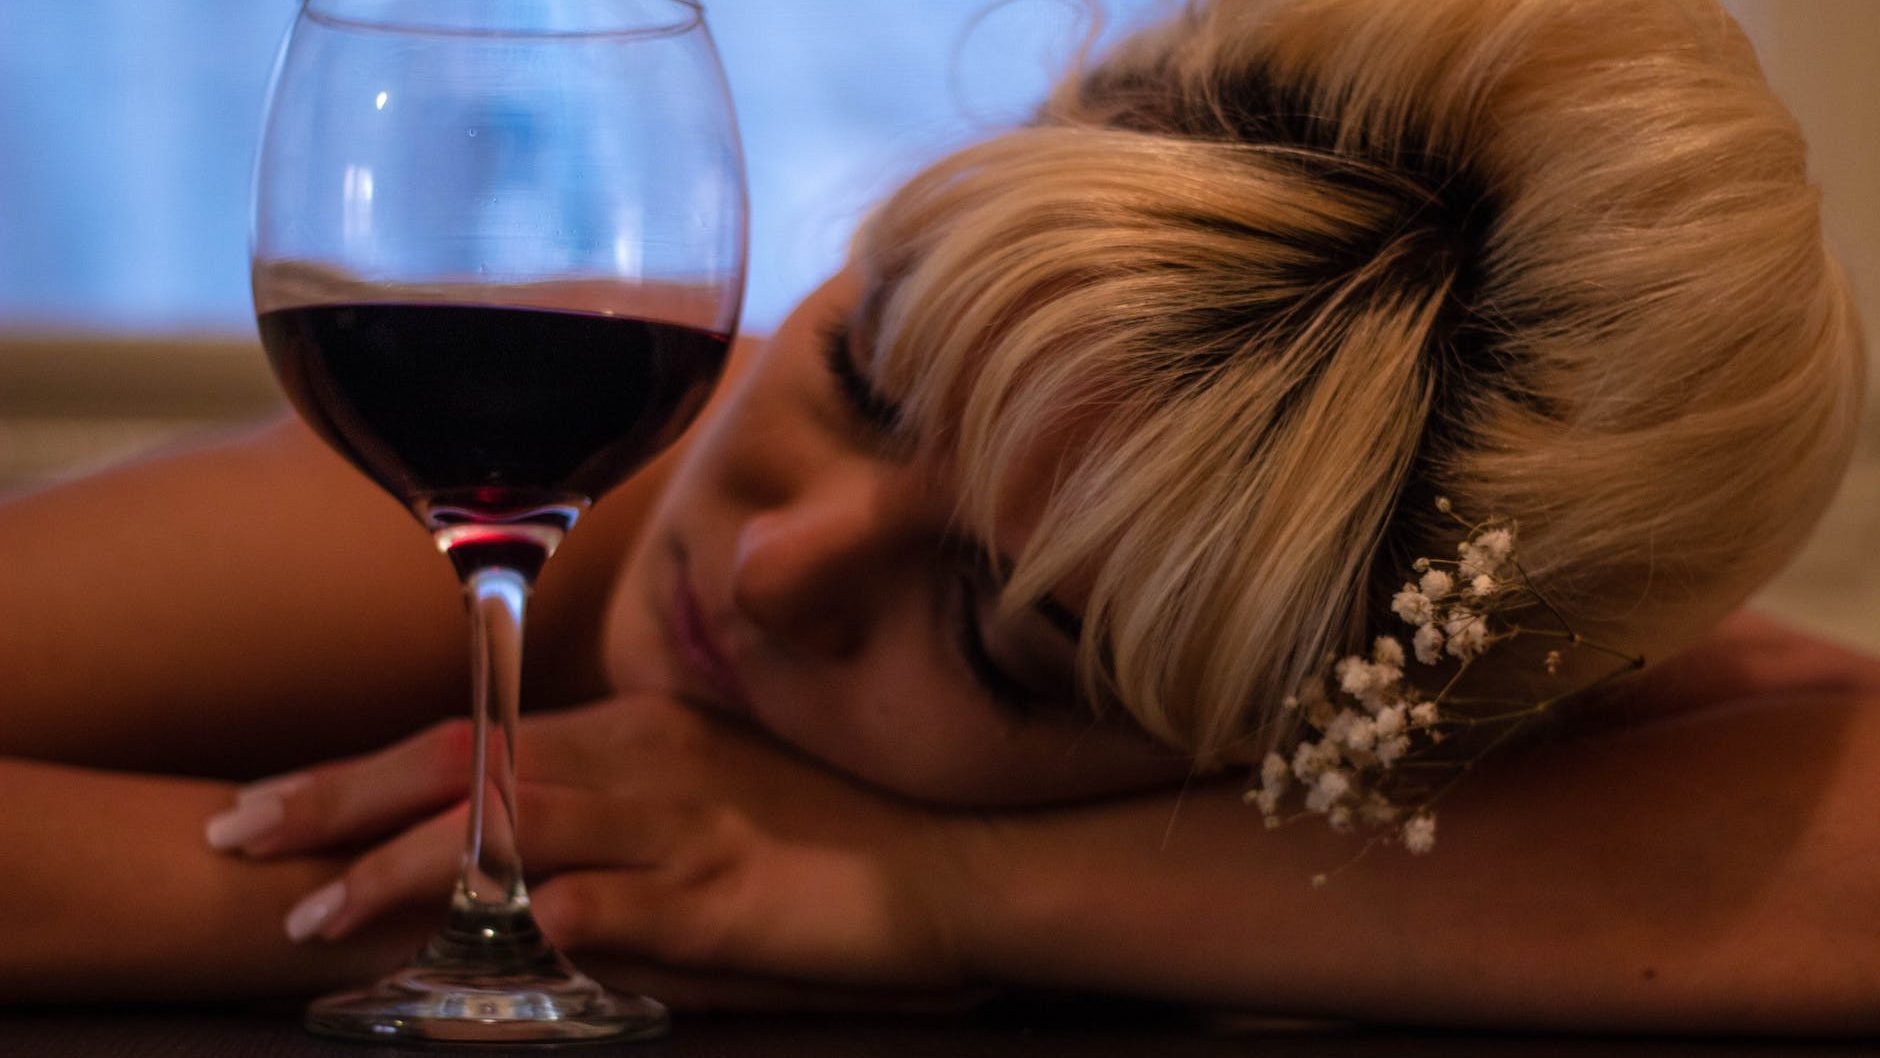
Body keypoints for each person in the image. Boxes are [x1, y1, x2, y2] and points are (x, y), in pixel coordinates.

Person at [2, 0, 1874, 1030]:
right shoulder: (565, 460)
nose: (772, 558)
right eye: (861, 376)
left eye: (1004, 637)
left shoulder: (1382, 640)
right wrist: (517, 908)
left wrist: (942, 887)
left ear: (1293, 755)